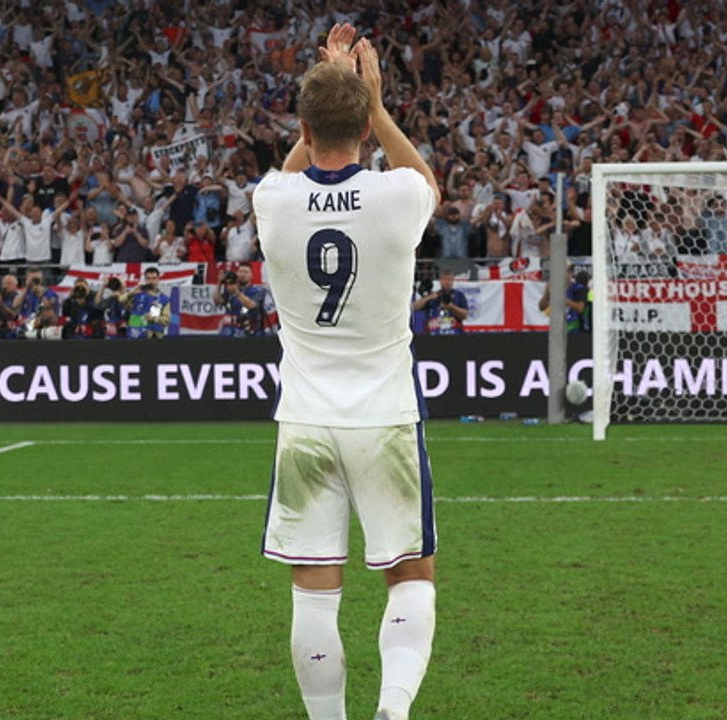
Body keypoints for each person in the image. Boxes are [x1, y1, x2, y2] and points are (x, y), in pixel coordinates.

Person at [253, 25, 440, 720]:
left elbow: (295, 170)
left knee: (313, 590)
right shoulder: (398, 197)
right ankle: (391, 709)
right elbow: (428, 181)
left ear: (302, 127)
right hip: (385, 416)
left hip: (304, 420)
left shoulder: (272, 200)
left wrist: (333, 92)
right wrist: (376, 103)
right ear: (366, 123)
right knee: (410, 578)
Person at [212, 263, 274, 337]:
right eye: (240, 272)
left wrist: (237, 293)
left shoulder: (258, 290)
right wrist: (219, 283)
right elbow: (217, 301)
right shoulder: (230, 290)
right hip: (227, 332)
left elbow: (251, 305)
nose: (242, 275)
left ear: (251, 275)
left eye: (246, 272)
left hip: (248, 332)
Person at [412, 268, 469, 335]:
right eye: (444, 279)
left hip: (454, 334)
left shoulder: (459, 295)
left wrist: (451, 307)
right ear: (440, 280)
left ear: (453, 281)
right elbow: (414, 307)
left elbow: (465, 315)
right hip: (434, 334)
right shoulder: (434, 295)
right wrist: (428, 298)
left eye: (449, 279)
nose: (447, 282)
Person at [125, 266, 172, 338]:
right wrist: (133, 292)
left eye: (154, 278)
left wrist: (154, 318)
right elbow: (123, 302)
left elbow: (166, 320)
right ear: (145, 280)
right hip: (134, 333)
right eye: (148, 278)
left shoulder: (164, 299)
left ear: (158, 279)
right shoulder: (137, 294)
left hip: (154, 336)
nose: (151, 281)